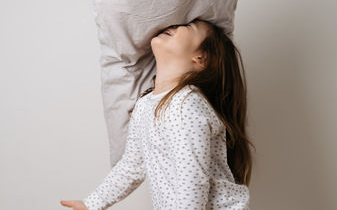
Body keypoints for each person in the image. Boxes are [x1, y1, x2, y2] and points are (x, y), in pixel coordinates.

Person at [60, 18, 255, 210]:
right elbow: (131, 167)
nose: (174, 25)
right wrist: (91, 203)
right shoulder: (145, 105)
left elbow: (192, 183)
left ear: (201, 58)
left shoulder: (187, 106)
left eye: (188, 26)